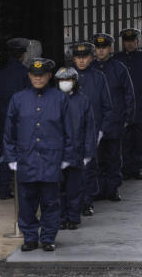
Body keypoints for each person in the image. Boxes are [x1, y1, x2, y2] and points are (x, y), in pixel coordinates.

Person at [3, 58, 73, 252]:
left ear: (49, 76)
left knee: (51, 202)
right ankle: (30, 237)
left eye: (42, 75)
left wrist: (67, 157)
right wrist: (11, 158)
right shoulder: (18, 99)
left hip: (52, 159)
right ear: (29, 75)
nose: (38, 78)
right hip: (27, 158)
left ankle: (49, 237)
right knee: (26, 202)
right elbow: (9, 132)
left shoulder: (60, 98)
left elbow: (69, 130)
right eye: (34, 75)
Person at [69, 42, 112, 217]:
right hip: (70, 132)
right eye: (78, 57)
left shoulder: (99, 77)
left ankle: (87, 202)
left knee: (89, 169)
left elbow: (107, 107)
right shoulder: (65, 78)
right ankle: (71, 204)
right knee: (71, 171)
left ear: (91, 58)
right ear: (73, 59)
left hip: (92, 132)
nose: (81, 61)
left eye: (84, 57)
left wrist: (102, 130)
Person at [91, 32, 135, 202]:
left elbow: (129, 95)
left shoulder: (118, 68)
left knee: (114, 157)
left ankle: (113, 188)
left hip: (115, 122)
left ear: (110, 49)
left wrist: (127, 118)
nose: (100, 51)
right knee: (98, 158)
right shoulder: (91, 69)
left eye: (104, 48)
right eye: (98, 48)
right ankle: (99, 189)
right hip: (96, 123)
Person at [0, 37, 31, 199]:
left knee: (5, 156)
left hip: (3, 122)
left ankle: (4, 190)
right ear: (23, 55)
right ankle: (23, 189)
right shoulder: (26, 74)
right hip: (23, 123)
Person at [54, 66, 96, 231]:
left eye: (68, 80)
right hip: (58, 152)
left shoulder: (83, 101)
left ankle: (73, 217)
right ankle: (61, 218)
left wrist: (88, 153)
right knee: (58, 189)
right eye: (62, 80)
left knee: (75, 188)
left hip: (77, 152)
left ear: (75, 82)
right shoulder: (53, 99)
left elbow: (89, 128)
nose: (65, 83)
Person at [115, 28, 142, 181]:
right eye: (127, 42)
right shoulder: (117, 59)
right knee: (125, 140)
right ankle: (125, 168)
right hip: (124, 107)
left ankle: (137, 167)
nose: (129, 44)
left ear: (137, 42)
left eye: (132, 41)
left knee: (139, 139)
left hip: (140, 105)